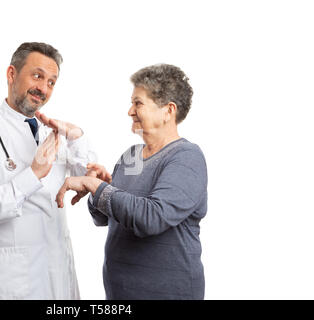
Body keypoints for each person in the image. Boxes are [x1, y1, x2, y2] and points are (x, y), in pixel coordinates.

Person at [56, 64, 208, 300]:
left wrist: (98, 188)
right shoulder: (131, 156)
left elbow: (151, 218)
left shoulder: (187, 157)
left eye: (138, 103)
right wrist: (101, 187)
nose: (130, 111)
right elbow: (103, 218)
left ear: (168, 110)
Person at [0, 42, 95, 300]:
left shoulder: (52, 132)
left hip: (58, 279)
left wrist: (77, 138)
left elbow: (87, 178)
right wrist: (32, 174)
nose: (43, 89)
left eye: (52, 82)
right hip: (10, 284)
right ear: (11, 74)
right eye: (37, 76)